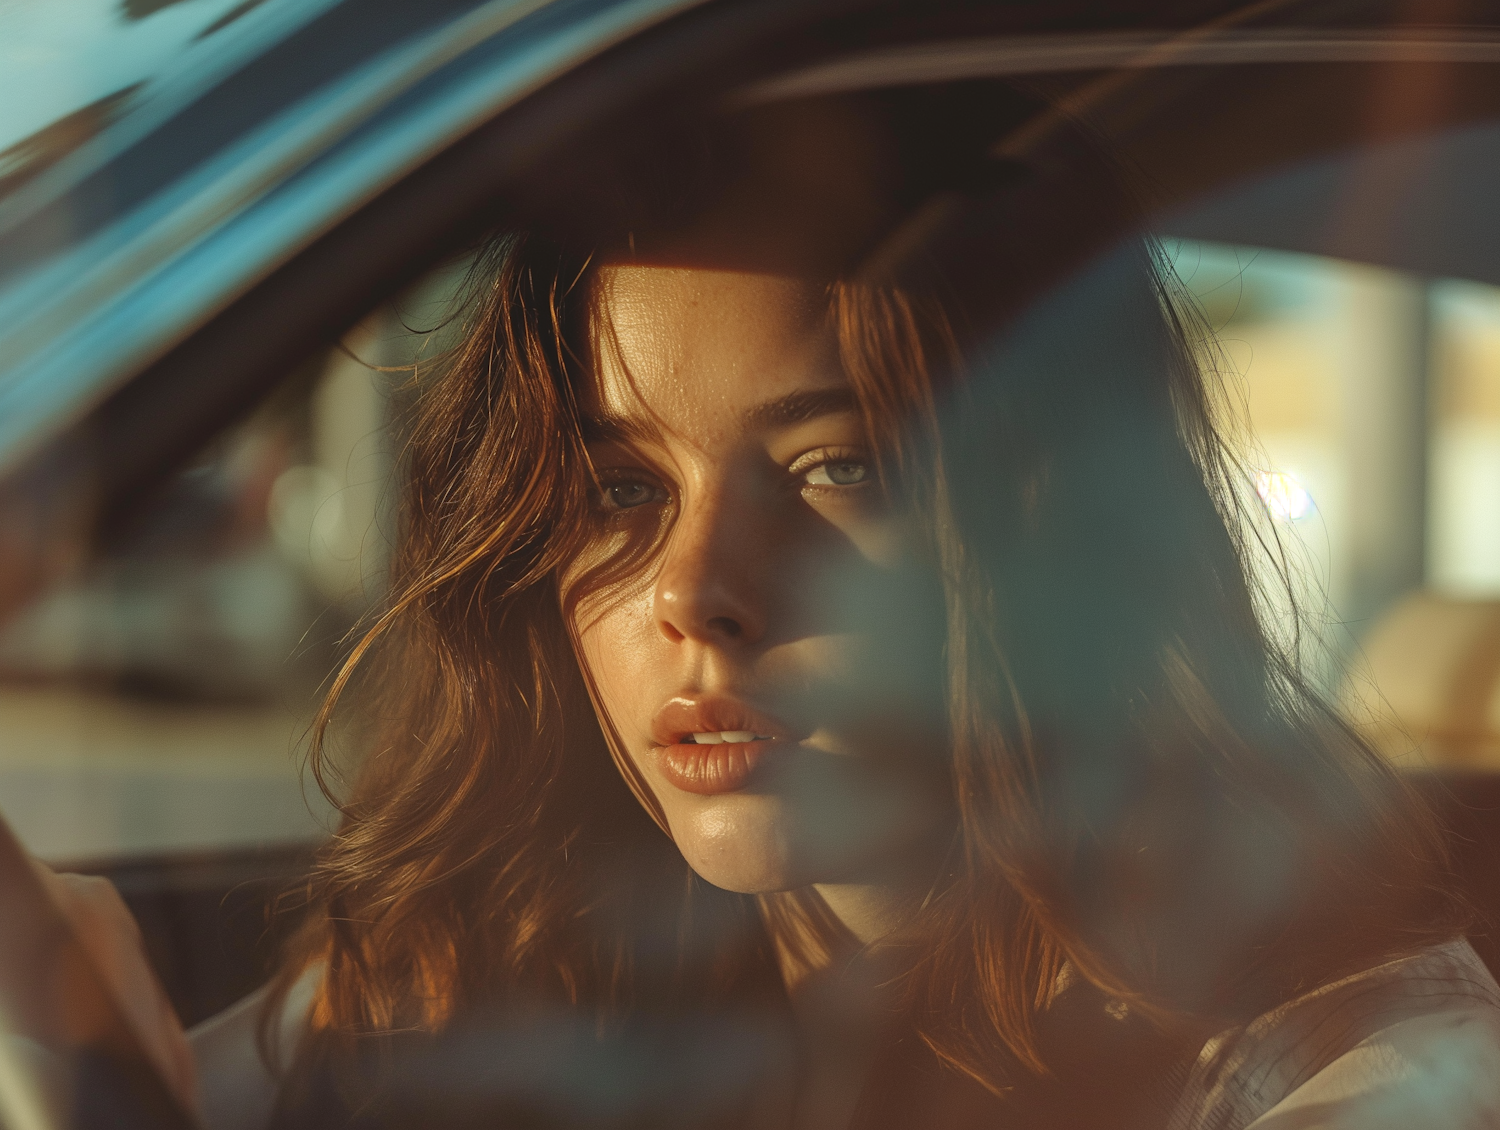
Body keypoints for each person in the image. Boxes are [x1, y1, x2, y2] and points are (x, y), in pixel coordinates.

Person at [50, 86, 1500, 1128]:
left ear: (1051, 523)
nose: (696, 593)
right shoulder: (493, 963)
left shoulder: (1363, 1071)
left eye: (838, 465)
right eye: (620, 488)